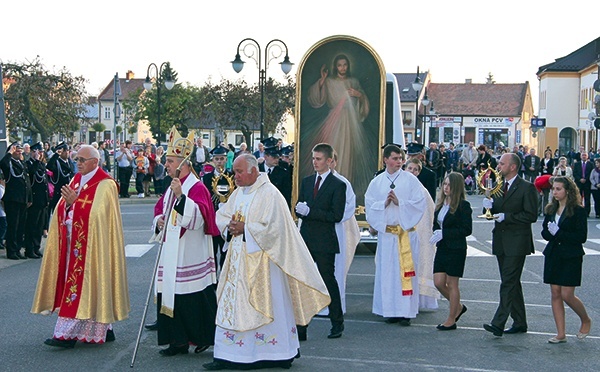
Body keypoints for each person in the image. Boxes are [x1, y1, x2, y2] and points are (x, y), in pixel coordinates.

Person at [203, 154, 329, 371]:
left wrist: (246, 229)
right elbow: (222, 214)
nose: (236, 177)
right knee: (232, 305)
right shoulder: (238, 193)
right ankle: (228, 354)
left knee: (269, 305)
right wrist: (229, 226)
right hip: (237, 261)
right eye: (235, 172)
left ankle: (275, 353)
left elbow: (277, 229)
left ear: (253, 170)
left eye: (240, 172)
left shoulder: (270, 194)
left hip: (264, 265)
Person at [32, 144, 129, 348]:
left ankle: (65, 334)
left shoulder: (106, 184)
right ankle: (103, 328)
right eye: (77, 160)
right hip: (72, 242)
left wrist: (75, 202)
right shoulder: (76, 179)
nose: (78, 163)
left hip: (93, 247)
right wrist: (67, 204)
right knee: (81, 285)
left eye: (82, 160)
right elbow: (62, 206)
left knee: (84, 285)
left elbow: (99, 217)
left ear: (95, 162)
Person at [150, 127, 220, 356]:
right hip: (172, 250)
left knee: (191, 298)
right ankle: (177, 341)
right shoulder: (172, 186)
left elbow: (199, 218)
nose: (166, 165)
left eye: (170, 161)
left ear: (184, 163)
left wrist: (181, 197)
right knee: (171, 295)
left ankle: (201, 338)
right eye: (167, 161)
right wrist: (159, 220)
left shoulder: (195, 187)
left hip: (191, 252)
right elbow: (161, 209)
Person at [365, 144, 437, 327]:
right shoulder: (377, 182)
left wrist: (400, 202)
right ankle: (390, 310)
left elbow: (419, 203)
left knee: (405, 274)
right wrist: (384, 203)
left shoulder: (411, 181)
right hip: (387, 235)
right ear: (385, 160)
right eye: (395, 158)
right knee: (388, 274)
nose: (399, 162)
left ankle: (406, 311)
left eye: (400, 159)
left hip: (405, 234)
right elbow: (370, 204)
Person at [482, 153, 538, 337]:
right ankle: (520, 322)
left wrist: (508, 217)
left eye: (502, 163)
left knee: (508, 281)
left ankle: (498, 322)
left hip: (517, 242)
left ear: (512, 167)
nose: (498, 166)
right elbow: (492, 212)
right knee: (512, 282)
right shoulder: (499, 186)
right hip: (501, 240)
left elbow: (531, 215)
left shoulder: (526, 188)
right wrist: (487, 206)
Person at [295, 143, 346, 340]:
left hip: (324, 241)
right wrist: (299, 210)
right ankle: (301, 326)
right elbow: (300, 205)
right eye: (313, 158)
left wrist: (311, 212)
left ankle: (337, 322)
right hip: (306, 238)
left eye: (318, 159)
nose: (314, 162)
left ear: (329, 161)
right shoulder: (307, 181)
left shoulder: (337, 185)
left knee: (328, 282)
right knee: (302, 282)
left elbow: (336, 215)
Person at [306, 54, 372, 199]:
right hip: (334, 121)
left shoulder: (353, 81)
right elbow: (316, 99)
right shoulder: (329, 81)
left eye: (345, 65)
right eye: (339, 65)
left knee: (348, 153)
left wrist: (358, 95)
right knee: (333, 150)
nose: (342, 68)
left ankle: (344, 188)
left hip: (350, 122)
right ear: (335, 66)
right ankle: (328, 185)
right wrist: (322, 80)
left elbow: (364, 104)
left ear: (348, 66)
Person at [541, 176, 592, 343]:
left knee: (567, 294)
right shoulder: (550, 209)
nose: (554, 192)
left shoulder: (578, 210)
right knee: (555, 293)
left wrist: (559, 233)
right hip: (554, 254)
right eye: (553, 189)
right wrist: (550, 231)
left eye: (558, 189)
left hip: (571, 255)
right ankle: (560, 333)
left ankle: (585, 319)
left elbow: (581, 237)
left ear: (567, 191)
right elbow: (545, 233)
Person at [318, 151, 360, 315]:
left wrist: (331, 216)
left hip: (336, 230)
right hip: (318, 232)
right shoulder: (313, 182)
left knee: (336, 270)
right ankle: (319, 306)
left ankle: (335, 307)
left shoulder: (343, 183)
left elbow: (349, 206)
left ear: (334, 162)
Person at [430, 172, 472, 330]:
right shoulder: (441, 204)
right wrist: (436, 231)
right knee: (438, 282)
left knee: (452, 283)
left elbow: (467, 229)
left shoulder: (463, 206)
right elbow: (436, 223)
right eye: (445, 184)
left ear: (456, 187)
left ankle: (451, 319)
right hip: (442, 247)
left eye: (449, 185)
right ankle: (458, 307)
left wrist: (445, 233)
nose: (446, 188)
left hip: (456, 248)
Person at [202, 145, 236, 270]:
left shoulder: (232, 177)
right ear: (213, 160)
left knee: (225, 251)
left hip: (227, 218)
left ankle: (224, 276)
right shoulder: (206, 178)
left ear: (226, 160)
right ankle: (213, 280)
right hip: (212, 218)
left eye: (222, 159)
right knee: (212, 251)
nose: (219, 162)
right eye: (217, 159)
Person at [0, 142, 32, 259]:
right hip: (13, 199)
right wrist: (9, 153)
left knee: (20, 226)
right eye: (17, 150)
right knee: (13, 226)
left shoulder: (21, 163)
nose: (19, 152)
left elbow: (27, 182)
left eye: (20, 150)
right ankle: (11, 251)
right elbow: (2, 164)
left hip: (23, 199)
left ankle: (18, 249)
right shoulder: (9, 162)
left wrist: (29, 198)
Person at [24, 142, 49, 258]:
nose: (39, 154)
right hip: (34, 200)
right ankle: (29, 249)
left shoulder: (42, 165)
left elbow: (44, 182)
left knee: (39, 226)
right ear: (33, 152)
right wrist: (37, 160)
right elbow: (32, 173)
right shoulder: (29, 164)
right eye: (37, 152)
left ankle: (36, 247)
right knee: (32, 226)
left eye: (40, 152)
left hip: (42, 200)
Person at [258, 142, 292, 208]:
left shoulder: (283, 173)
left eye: (277, 157)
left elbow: (286, 195)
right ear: (265, 156)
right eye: (274, 157)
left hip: (276, 207)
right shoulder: (257, 170)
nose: (277, 160)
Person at [46, 142, 74, 211]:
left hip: (69, 191)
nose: (68, 152)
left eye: (68, 150)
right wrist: (56, 155)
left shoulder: (69, 162)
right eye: (66, 151)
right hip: (59, 192)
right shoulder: (57, 162)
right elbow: (49, 166)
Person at [572, 151, 593, 217]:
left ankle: (587, 212)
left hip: (587, 183)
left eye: (585, 155)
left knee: (587, 198)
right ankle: (579, 211)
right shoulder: (577, 164)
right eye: (583, 155)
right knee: (578, 197)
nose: (584, 156)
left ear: (587, 156)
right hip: (579, 183)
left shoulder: (591, 164)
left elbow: (591, 173)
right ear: (580, 156)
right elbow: (574, 173)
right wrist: (580, 179)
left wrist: (585, 179)